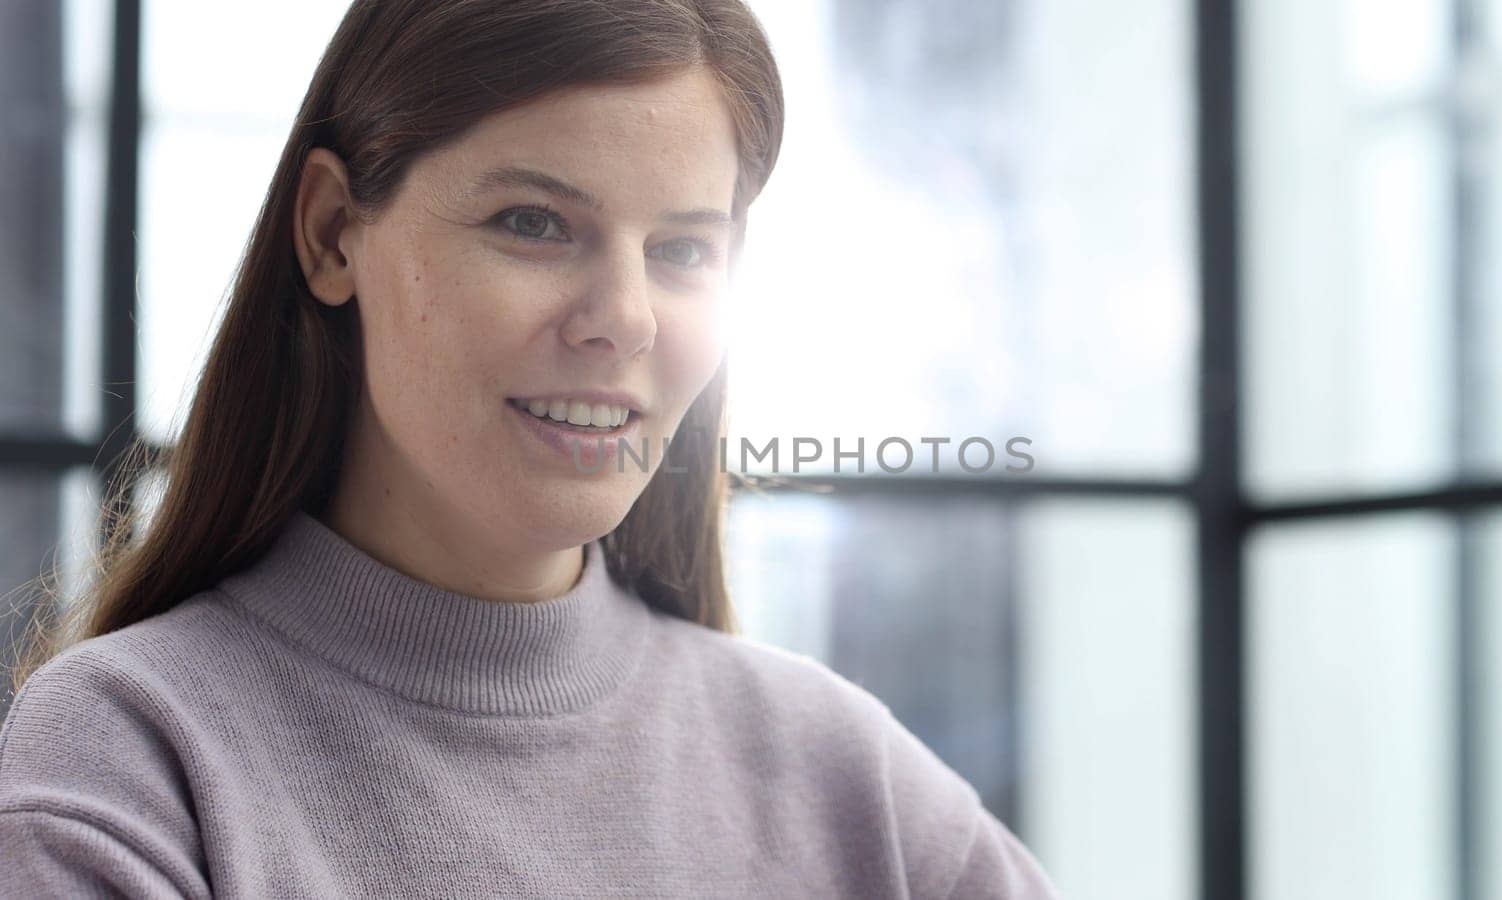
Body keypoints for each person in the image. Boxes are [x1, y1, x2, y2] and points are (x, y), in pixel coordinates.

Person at [0, 0, 1060, 897]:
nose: (626, 319)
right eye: (534, 224)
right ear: (332, 233)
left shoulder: (848, 780)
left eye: (683, 248)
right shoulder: (134, 761)